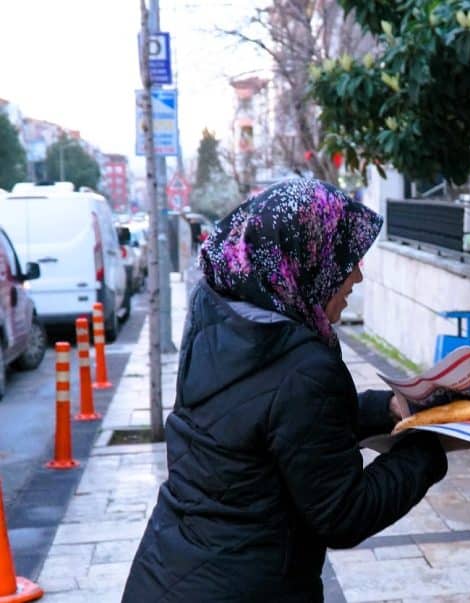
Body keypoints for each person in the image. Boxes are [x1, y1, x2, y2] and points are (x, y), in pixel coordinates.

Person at [122, 179, 449, 602]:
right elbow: (343, 514)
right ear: (306, 260)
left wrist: (384, 408)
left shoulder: (223, 319)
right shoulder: (303, 367)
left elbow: (274, 423)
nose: (357, 275)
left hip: (165, 574)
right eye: (344, 258)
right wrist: (430, 446)